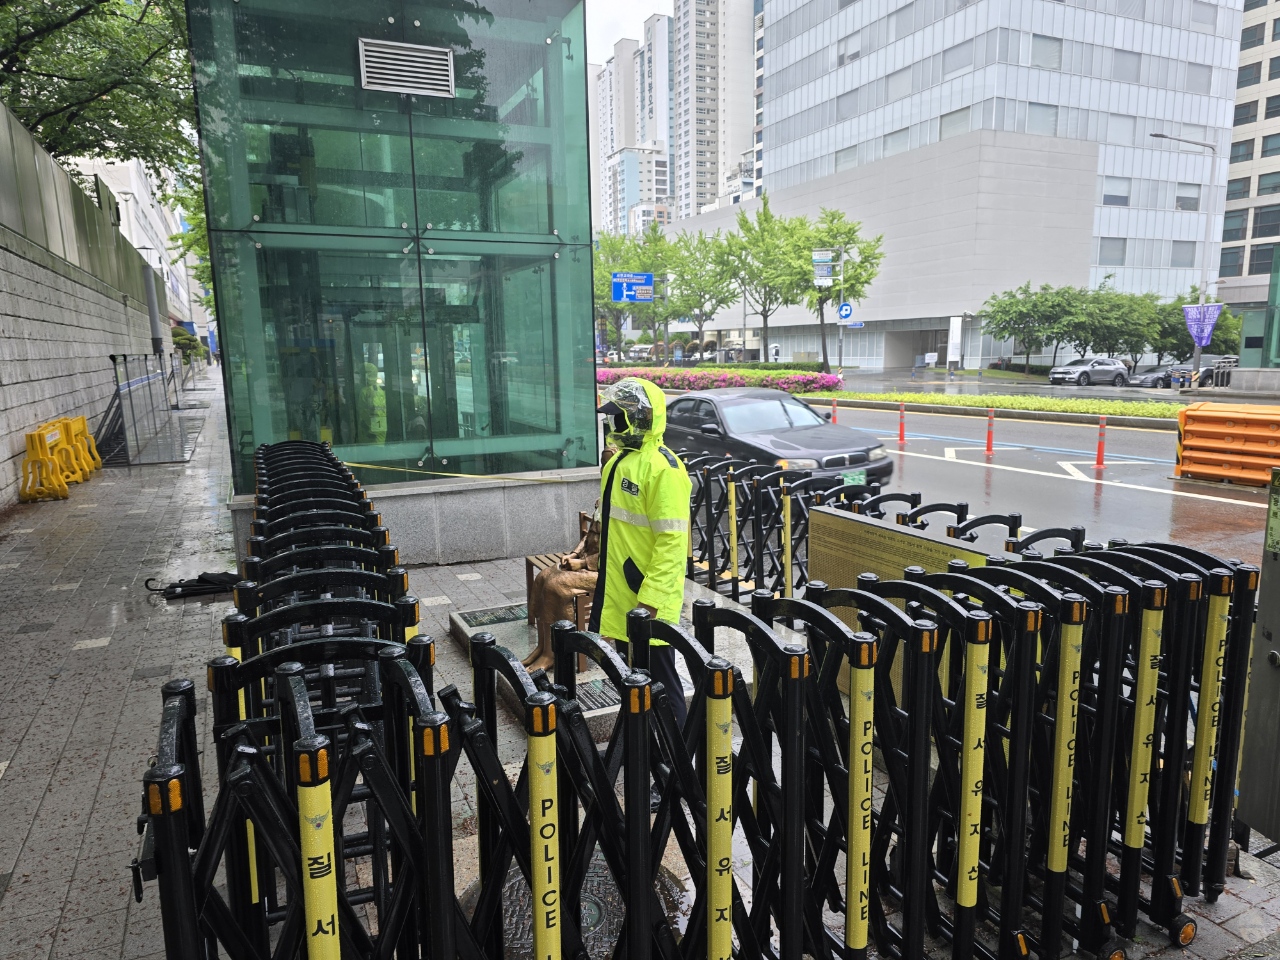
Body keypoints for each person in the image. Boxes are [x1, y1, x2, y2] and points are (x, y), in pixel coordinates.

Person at [590, 377, 692, 737]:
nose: (611, 423)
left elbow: (672, 544)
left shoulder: (663, 469)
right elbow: (608, 525)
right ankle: (643, 755)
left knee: (662, 686)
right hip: (621, 598)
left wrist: (650, 602)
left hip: (645, 604)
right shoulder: (621, 462)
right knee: (633, 683)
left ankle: (675, 773)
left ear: (638, 417)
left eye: (618, 417)